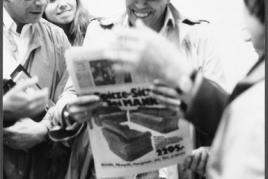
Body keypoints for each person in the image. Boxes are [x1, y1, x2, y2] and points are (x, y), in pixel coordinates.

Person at [101, 0, 264, 178]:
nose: (141, 3)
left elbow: (228, 118)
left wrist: (213, 150)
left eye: (249, 9)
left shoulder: (197, 35)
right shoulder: (100, 31)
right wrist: (69, 110)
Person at [3, 0, 72, 178]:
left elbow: (74, 101)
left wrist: (45, 129)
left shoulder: (57, 38)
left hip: (46, 169)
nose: (41, 2)